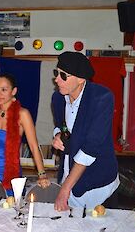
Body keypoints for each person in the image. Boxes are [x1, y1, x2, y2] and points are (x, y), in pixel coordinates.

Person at [51, 51, 120, 211]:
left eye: (63, 75)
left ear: (81, 79)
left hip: (98, 185)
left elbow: (90, 148)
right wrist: (57, 135)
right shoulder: (58, 98)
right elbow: (60, 125)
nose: (57, 79)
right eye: (56, 73)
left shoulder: (101, 98)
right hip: (68, 178)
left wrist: (65, 188)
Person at [0, 74, 50, 196]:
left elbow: (33, 146)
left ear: (14, 91)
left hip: (9, 174)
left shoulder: (23, 114)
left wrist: (42, 175)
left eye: (4, 89)